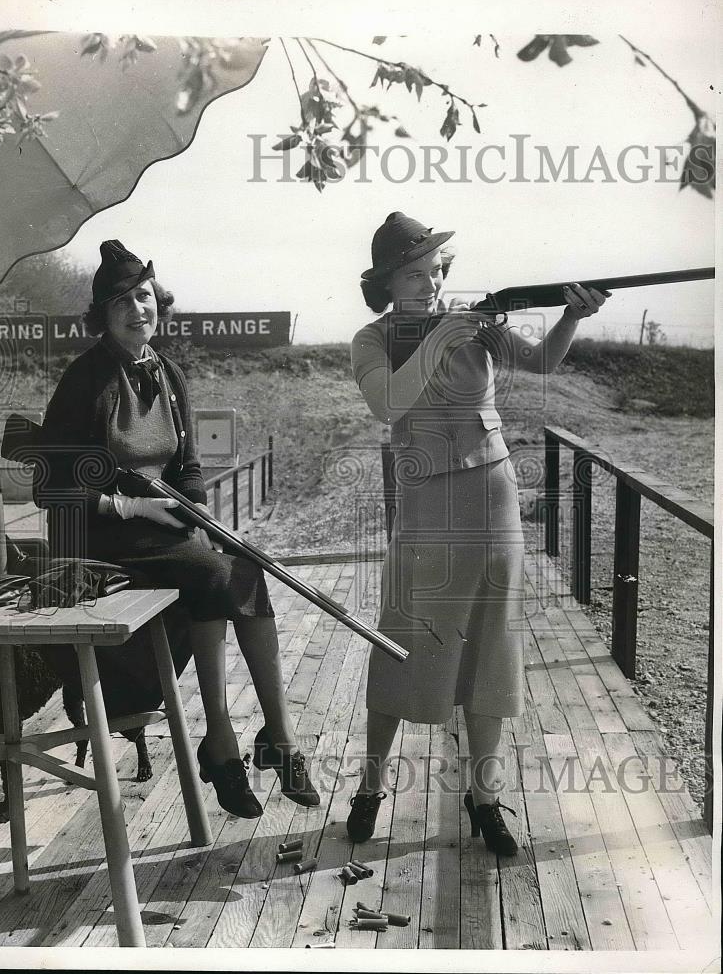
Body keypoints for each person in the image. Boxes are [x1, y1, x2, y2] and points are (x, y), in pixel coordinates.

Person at [348, 212, 605, 853]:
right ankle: (371, 786)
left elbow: (543, 361)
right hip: (426, 501)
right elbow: (389, 404)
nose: (429, 284)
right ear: (387, 283)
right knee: (405, 638)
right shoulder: (371, 339)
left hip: (493, 494)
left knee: (493, 642)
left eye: (435, 271)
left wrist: (574, 315)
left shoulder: (473, 327)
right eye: (413, 274)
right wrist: (439, 341)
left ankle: (485, 797)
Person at [34, 239, 319, 818]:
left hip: (165, 531)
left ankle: (274, 734)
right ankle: (224, 741)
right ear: (103, 317)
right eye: (121, 303)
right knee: (214, 574)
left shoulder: (168, 374)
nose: (138, 310)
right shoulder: (85, 381)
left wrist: (200, 517)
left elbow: (185, 468)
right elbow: (51, 489)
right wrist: (131, 507)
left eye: (144, 297)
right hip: (101, 538)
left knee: (246, 564)